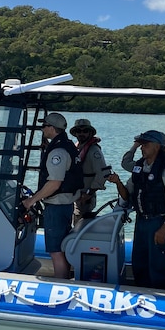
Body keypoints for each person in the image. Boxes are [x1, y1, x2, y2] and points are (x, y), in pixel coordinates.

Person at [107, 130, 165, 289]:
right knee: (139, 263)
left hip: (158, 221)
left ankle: (163, 297)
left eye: (145, 145)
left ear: (157, 147)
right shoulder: (140, 166)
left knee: (158, 266)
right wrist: (118, 182)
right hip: (141, 222)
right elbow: (128, 195)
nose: (142, 148)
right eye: (141, 145)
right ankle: (141, 294)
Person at [22, 112, 82, 279]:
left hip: (56, 206)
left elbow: (55, 183)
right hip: (66, 204)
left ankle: (60, 283)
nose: (42, 129)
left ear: (51, 128)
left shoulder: (58, 152)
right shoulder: (68, 146)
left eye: (44, 126)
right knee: (62, 246)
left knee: (55, 250)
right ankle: (65, 278)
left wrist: (31, 201)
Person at [70, 118, 109, 225]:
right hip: (74, 195)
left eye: (85, 131)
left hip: (85, 197)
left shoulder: (94, 150)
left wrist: (89, 193)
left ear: (90, 133)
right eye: (78, 131)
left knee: (81, 222)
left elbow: (103, 174)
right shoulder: (76, 147)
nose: (81, 133)